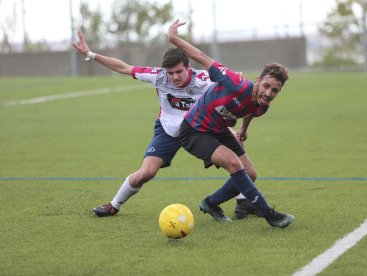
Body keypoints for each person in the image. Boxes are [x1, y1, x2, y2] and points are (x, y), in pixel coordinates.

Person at [72, 30, 258, 218]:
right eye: (171, 73)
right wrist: (90, 54)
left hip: (202, 130)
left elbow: (238, 91)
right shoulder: (158, 77)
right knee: (147, 172)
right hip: (169, 131)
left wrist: (238, 127)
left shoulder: (205, 80)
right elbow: (124, 68)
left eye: (179, 72)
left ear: (188, 68)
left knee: (247, 170)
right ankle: (114, 205)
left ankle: (243, 202)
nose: (175, 77)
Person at [168, 20, 294, 228]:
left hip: (218, 130)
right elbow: (202, 57)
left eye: (275, 91)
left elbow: (251, 112)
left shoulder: (263, 106)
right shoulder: (235, 82)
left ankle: (210, 203)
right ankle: (269, 214)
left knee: (250, 174)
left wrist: (243, 130)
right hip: (194, 130)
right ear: (257, 80)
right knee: (234, 164)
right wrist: (174, 39)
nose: (268, 93)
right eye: (266, 86)